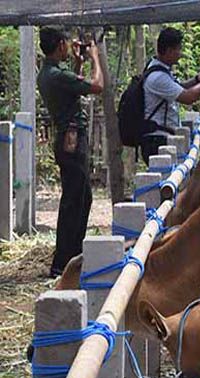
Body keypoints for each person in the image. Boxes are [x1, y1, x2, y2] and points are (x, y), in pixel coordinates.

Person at [37, 27, 104, 278]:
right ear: (59, 45)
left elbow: (72, 90)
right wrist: (95, 58)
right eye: (66, 44)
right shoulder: (55, 75)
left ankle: (72, 258)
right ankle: (63, 263)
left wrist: (77, 64)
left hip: (68, 139)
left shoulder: (50, 74)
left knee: (80, 197)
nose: (69, 47)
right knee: (74, 201)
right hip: (72, 140)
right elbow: (97, 86)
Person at [141, 27, 200, 164]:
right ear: (169, 51)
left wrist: (197, 79)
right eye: (178, 49)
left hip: (161, 139)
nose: (180, 54)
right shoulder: (158, 77)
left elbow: (179, 88)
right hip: (158, 142)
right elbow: (188, 97)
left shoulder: (159, 70)